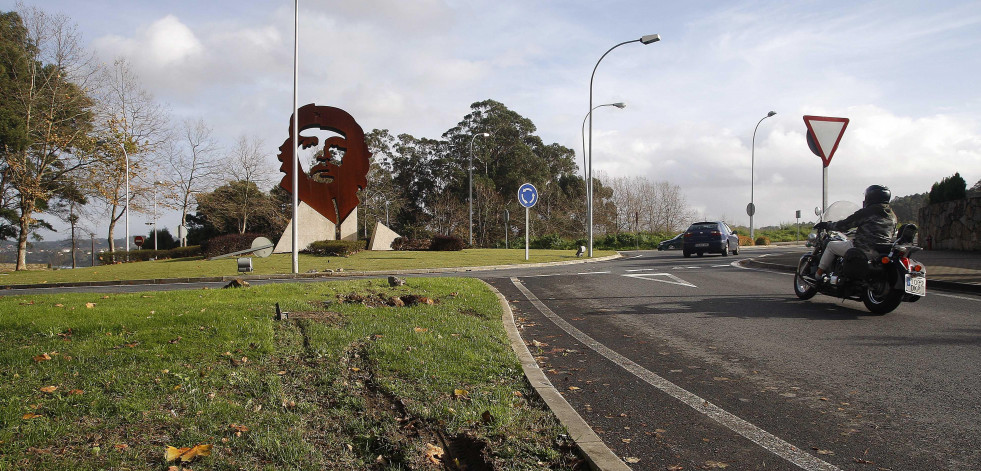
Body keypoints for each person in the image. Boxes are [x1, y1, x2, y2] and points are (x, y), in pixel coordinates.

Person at [813, 185, 898, 281]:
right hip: (881, 251)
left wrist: (827, 225)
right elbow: (892, 231)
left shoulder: (867, 212)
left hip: (862, 248)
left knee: (830, 245)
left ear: (871, 197)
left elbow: (844, 225)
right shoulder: (892, 216)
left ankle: (818, 275)